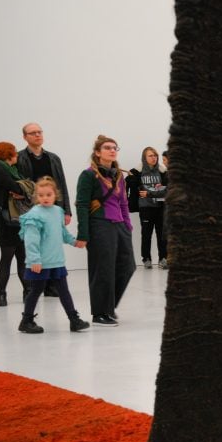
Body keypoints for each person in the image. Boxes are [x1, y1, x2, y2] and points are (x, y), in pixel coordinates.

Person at [75, 135, 135, 327]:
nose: (112, 150)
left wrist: (128, 225)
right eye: (107, 147)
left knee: (128, 266)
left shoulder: (118, 175)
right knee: (103, 269)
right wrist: (83, 234)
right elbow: (82, 205)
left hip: (119, 225)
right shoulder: (88, 175)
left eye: (115, 147)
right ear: (97, 152)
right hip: (100, 225)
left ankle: (108, 306)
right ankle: (100, 313)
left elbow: (124, 202)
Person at [17, 177, 90, 333]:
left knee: (64, 291)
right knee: (36, 291)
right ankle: (26, 320)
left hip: (56, 261)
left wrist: (74, 242)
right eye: (41, 195)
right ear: (36, 196)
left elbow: (62, 233)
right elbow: (31, 241)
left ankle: (74, 320)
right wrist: (35, 260)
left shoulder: (58, 211)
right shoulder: (34, 214)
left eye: (48, 194)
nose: (45, 198)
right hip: (40, 263)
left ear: (55, 195)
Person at [17, 122, 72, 297]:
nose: (37, 135)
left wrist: (67, 210)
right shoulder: (19, 158)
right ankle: (31, 288)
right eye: (32, 133)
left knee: (51, 245)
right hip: (31, 210)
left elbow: (61, 185)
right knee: (32, 247)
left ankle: (50, 286)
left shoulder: (53, 158)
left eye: (39, 132)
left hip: (53, 210)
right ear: (25, 137)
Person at [0, 142, 32, 307]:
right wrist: (22, 190)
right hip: (6, 220)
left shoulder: (11, 170)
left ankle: (26, 292)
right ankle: (2, 294)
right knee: (8, 257)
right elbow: (17, 187)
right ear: (8, 154)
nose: (17, 156)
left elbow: (25, 188)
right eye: (14, 153)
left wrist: (22, 190)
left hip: (17, 219)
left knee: (21, 256)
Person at [134, 146, 168, 269]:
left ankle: (163, 258)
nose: (154, 158)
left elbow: (167, 189)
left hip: (160, 207)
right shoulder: (138, 172)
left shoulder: (163, 171)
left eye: (155, 155)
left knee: (162, 235)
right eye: (150, 156)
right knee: (146, 234)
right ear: (144, 157)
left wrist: (162, 186)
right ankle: (146, 259)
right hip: (145, 208)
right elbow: (129, 184)